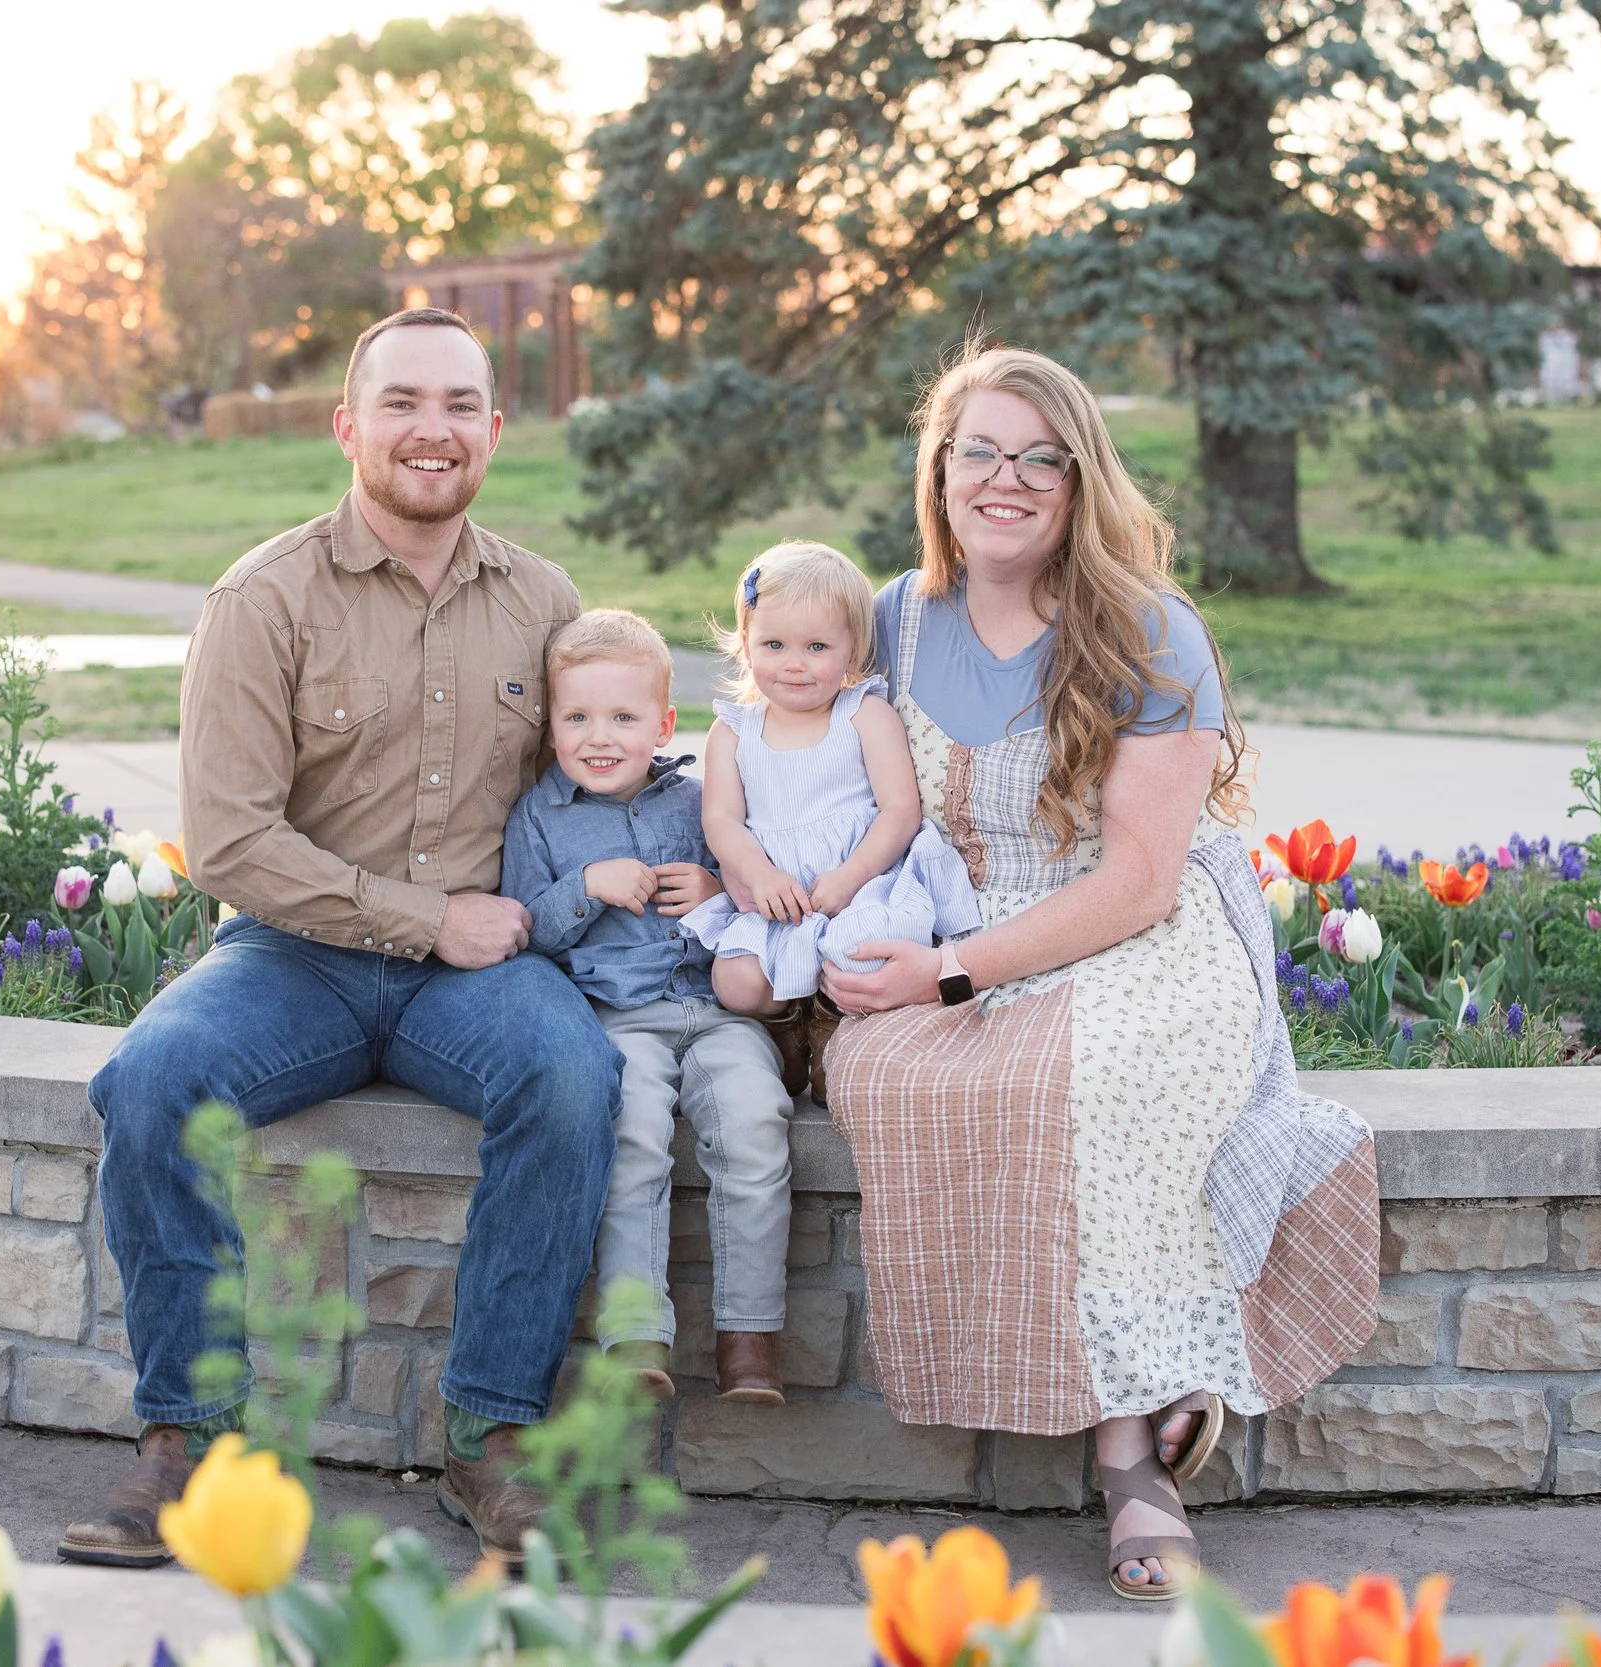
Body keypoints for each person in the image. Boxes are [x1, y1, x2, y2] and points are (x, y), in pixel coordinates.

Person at [816, 346, 1380, 1602]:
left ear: (1077, 480)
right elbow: (795, 754)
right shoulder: (896, 616)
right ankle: (1039, 1374)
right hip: (947, 916)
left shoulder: (1147, 627)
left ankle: (1131, 1454)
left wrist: (947, 973)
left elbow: (1137, 879)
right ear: (940, 471)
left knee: (1098, 1076)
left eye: (1038, 457)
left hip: (1139, 927)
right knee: (892, 1075)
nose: (1004, 479)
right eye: (979, 452)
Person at [63, 308, 618, 1570]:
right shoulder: (261, 600)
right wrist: (427, 917)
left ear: (491, 428)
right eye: (405, 403)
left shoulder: (545, 598)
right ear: (348, 425)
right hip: (293, 955)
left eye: (460, 406)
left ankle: (487, 1436)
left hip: (478, 975)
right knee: (151, 1077)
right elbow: (229, 840)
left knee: (572, 1074)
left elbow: (594, 782)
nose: (434, 430)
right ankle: (190, 1439)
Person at [497, 609, 797, 1404]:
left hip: (716, 1013)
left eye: (624, 718)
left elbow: (752, 901)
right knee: (631, 1138)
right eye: (578, 717)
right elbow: (522, 931)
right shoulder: (539, 816)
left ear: (664, 722)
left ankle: (750, 1337)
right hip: (616, 1020)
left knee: (756, 1124)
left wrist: (713, 892)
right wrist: (585, 888)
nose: (600, 737)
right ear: (551, 724)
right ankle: (636, 1335)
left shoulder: (701, 802)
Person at [680, 541, 980, 1013]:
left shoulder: (864, 715)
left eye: (817, 646)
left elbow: (900, 811)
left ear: (852, 649)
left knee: (863, 954)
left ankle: (828, 1019)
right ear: (746, 641)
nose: (794, 664)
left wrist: (850, 877)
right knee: (735, 983)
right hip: (777, 894)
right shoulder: (733, 731)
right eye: (774, 645)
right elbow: (721, 820)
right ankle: (789, 1027)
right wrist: (758, 875)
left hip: (859, 881)